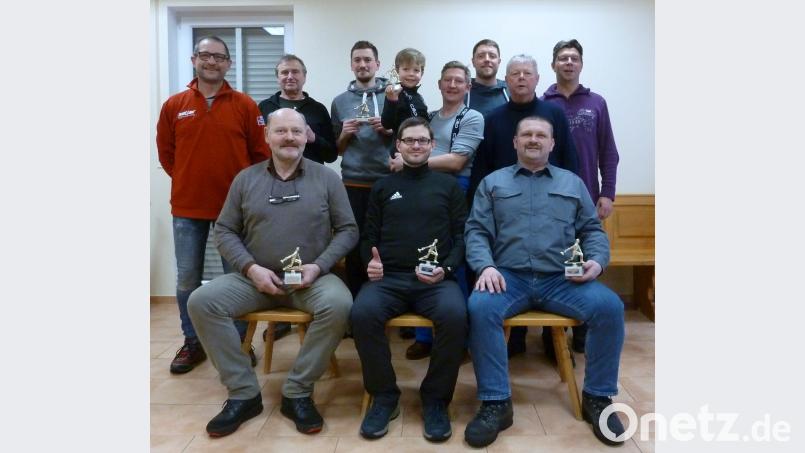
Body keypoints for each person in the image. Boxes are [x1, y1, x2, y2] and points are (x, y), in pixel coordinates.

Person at [186, 108, 358, 438]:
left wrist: (319, 266)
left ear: (306, 136)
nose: (289, 137)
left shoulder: (327, 179)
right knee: (202, 301)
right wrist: (251, 269)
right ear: (267, 136)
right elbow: (224, 230)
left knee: (339, 304)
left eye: (296, 131)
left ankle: (297, 392)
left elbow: (348, 230)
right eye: (281, 131)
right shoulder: (245, 179)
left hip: (311, 280)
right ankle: (243, 393)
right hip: (255, 280)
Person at [462, 116, 625, 448]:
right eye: (526, 134)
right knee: (480, 307)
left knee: (610, 307)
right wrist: (485, 266)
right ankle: (496, 403)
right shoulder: (493, 183)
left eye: (540, 135)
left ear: (552, 143)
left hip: (561, 279)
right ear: (515, 142)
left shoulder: (572, 183)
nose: (533, 139)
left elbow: (592, 230)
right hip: (508, 278)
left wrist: (596, 261)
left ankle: (597, 397)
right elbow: (476, 231)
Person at [156, 35, 269, 375]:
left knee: (237, 279)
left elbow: (260, 156)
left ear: (228, 64)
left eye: (219, 57)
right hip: (187, 208)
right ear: (194, 60)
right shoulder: (174, 105)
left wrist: (245, 196)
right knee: (187, 280)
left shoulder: (245, 105)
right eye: (205, 55)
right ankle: (193, 342)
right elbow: (167, 155)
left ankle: (239, 343)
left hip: (234, 211)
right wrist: (189, 179)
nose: (211, 61)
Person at [351, 117, 468, 442]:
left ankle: (435, 399)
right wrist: (370, 263)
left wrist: (447, 268)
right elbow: (368, 236)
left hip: (436, 280)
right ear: (398, 145)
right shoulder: (382, 187)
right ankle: (384, 396)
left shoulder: (448, 186)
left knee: (456, 315)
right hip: (388, 278)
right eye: (409, 140)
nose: (416, 146)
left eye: (422, 140)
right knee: (362, 314)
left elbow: (462, 237)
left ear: (432, 145)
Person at [468, 53, 580, 357]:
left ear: (537, 79)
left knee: (553, 270)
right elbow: (483, 166)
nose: (521, 78)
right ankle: (513, 342)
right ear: (506, 79)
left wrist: (575, 197)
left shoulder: (554, 114)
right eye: (515, 73)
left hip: (552, 204)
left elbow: (569, 159)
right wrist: (477, 203)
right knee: (510, 269)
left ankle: (552, 344)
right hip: (505, 205)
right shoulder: (494, 118)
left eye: (527, 73)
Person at [541, 39, 621, 356]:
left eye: (574, 58)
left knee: (583, 262)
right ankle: (551, 337)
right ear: (553, 65)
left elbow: (609, 152)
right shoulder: (543, 103)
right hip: (548, 199)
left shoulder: (596, 103)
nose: (569, 62)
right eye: (563, 58)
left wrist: (607, 193)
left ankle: (582, 332)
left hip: (586, 199)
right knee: (552, 264)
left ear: (581, 64)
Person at [404, 61, 483, 360]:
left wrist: (410, 161)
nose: (452, 85)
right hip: (421, 189)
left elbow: (456, 161)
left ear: (468, 86)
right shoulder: (429, 118)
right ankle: (424, 336)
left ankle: (458, 340)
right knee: (422, 256)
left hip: (454, 191)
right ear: (439, 84)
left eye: (458, 81)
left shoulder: (472, 117)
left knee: (454, 262)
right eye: (447, 80)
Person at [331, 40, 394, 297]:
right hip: (353, 183)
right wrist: (344, 134)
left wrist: (388, 131)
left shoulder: (393, 96)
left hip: (388, 180)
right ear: (351, 65)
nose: (362, 64)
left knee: (388, 242)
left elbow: (408, 139)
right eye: (357, 60)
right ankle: (357, 302)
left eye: (367, 59)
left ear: (377, 64)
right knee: (355, 245)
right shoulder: (339, 102)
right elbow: (337, 150)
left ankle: (387, 299)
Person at [258, 54, 337, 165]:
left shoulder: (318, 109)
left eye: (295, 72)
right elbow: (256, 146)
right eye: (284, 72)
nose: (290, 77)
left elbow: (331, 156)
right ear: (278, 78)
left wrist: (314, 139)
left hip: (310, 174)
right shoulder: (264, 107)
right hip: (272, 173)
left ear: (304, 77)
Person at [380, 48, 429, 140]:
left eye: (416, 70)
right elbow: (387, 124)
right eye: (406, 69)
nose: (411, 74)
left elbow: (426, 122)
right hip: (402, 144)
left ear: (422, 73)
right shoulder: (394, 93)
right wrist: (391, 101)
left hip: (420, 144)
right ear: (397, 70)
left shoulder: (418, 97)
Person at [465, 39, 510, 116]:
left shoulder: (511, 91)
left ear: (499, 62)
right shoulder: (462, 91)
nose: (487, 59)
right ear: (473, 62)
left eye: (492, 56)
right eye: (481, 56)